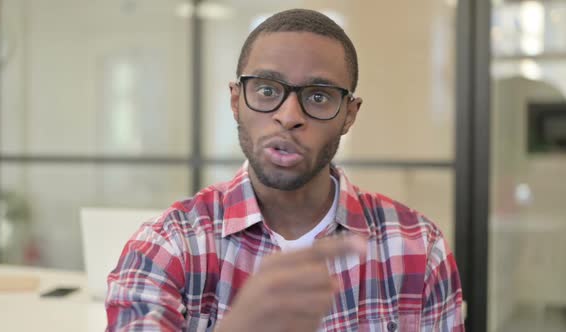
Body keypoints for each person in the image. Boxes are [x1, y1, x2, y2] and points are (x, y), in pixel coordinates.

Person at [105, 8, 464, 332]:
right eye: (265, 90)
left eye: (318, 97)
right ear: (235, 101)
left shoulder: (418, 248)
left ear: (349, 115)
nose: (289, 117)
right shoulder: (169, 245)